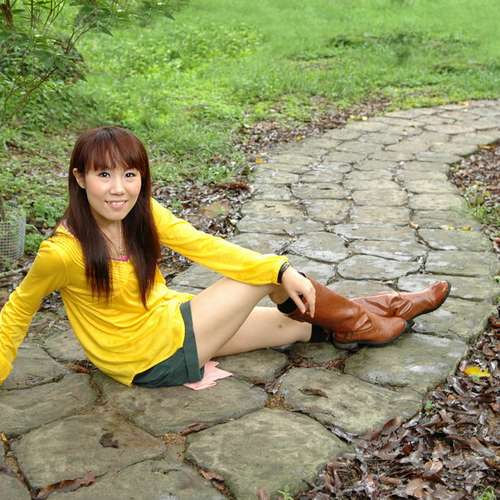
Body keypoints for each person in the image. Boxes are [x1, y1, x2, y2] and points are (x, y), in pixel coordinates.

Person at [0, 126, 451, 389]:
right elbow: (18, 309)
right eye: (104, 175)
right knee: (262, 276)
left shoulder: (143, 213)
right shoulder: (63, 252)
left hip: (172, 321)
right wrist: (278, 268)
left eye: (130, 174)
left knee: (296, 325)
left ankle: (382, 309)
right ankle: (371, 325)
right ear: (80, 178)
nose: (119, 189)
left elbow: (204, 245)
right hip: (144, 358)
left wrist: (280, 271)